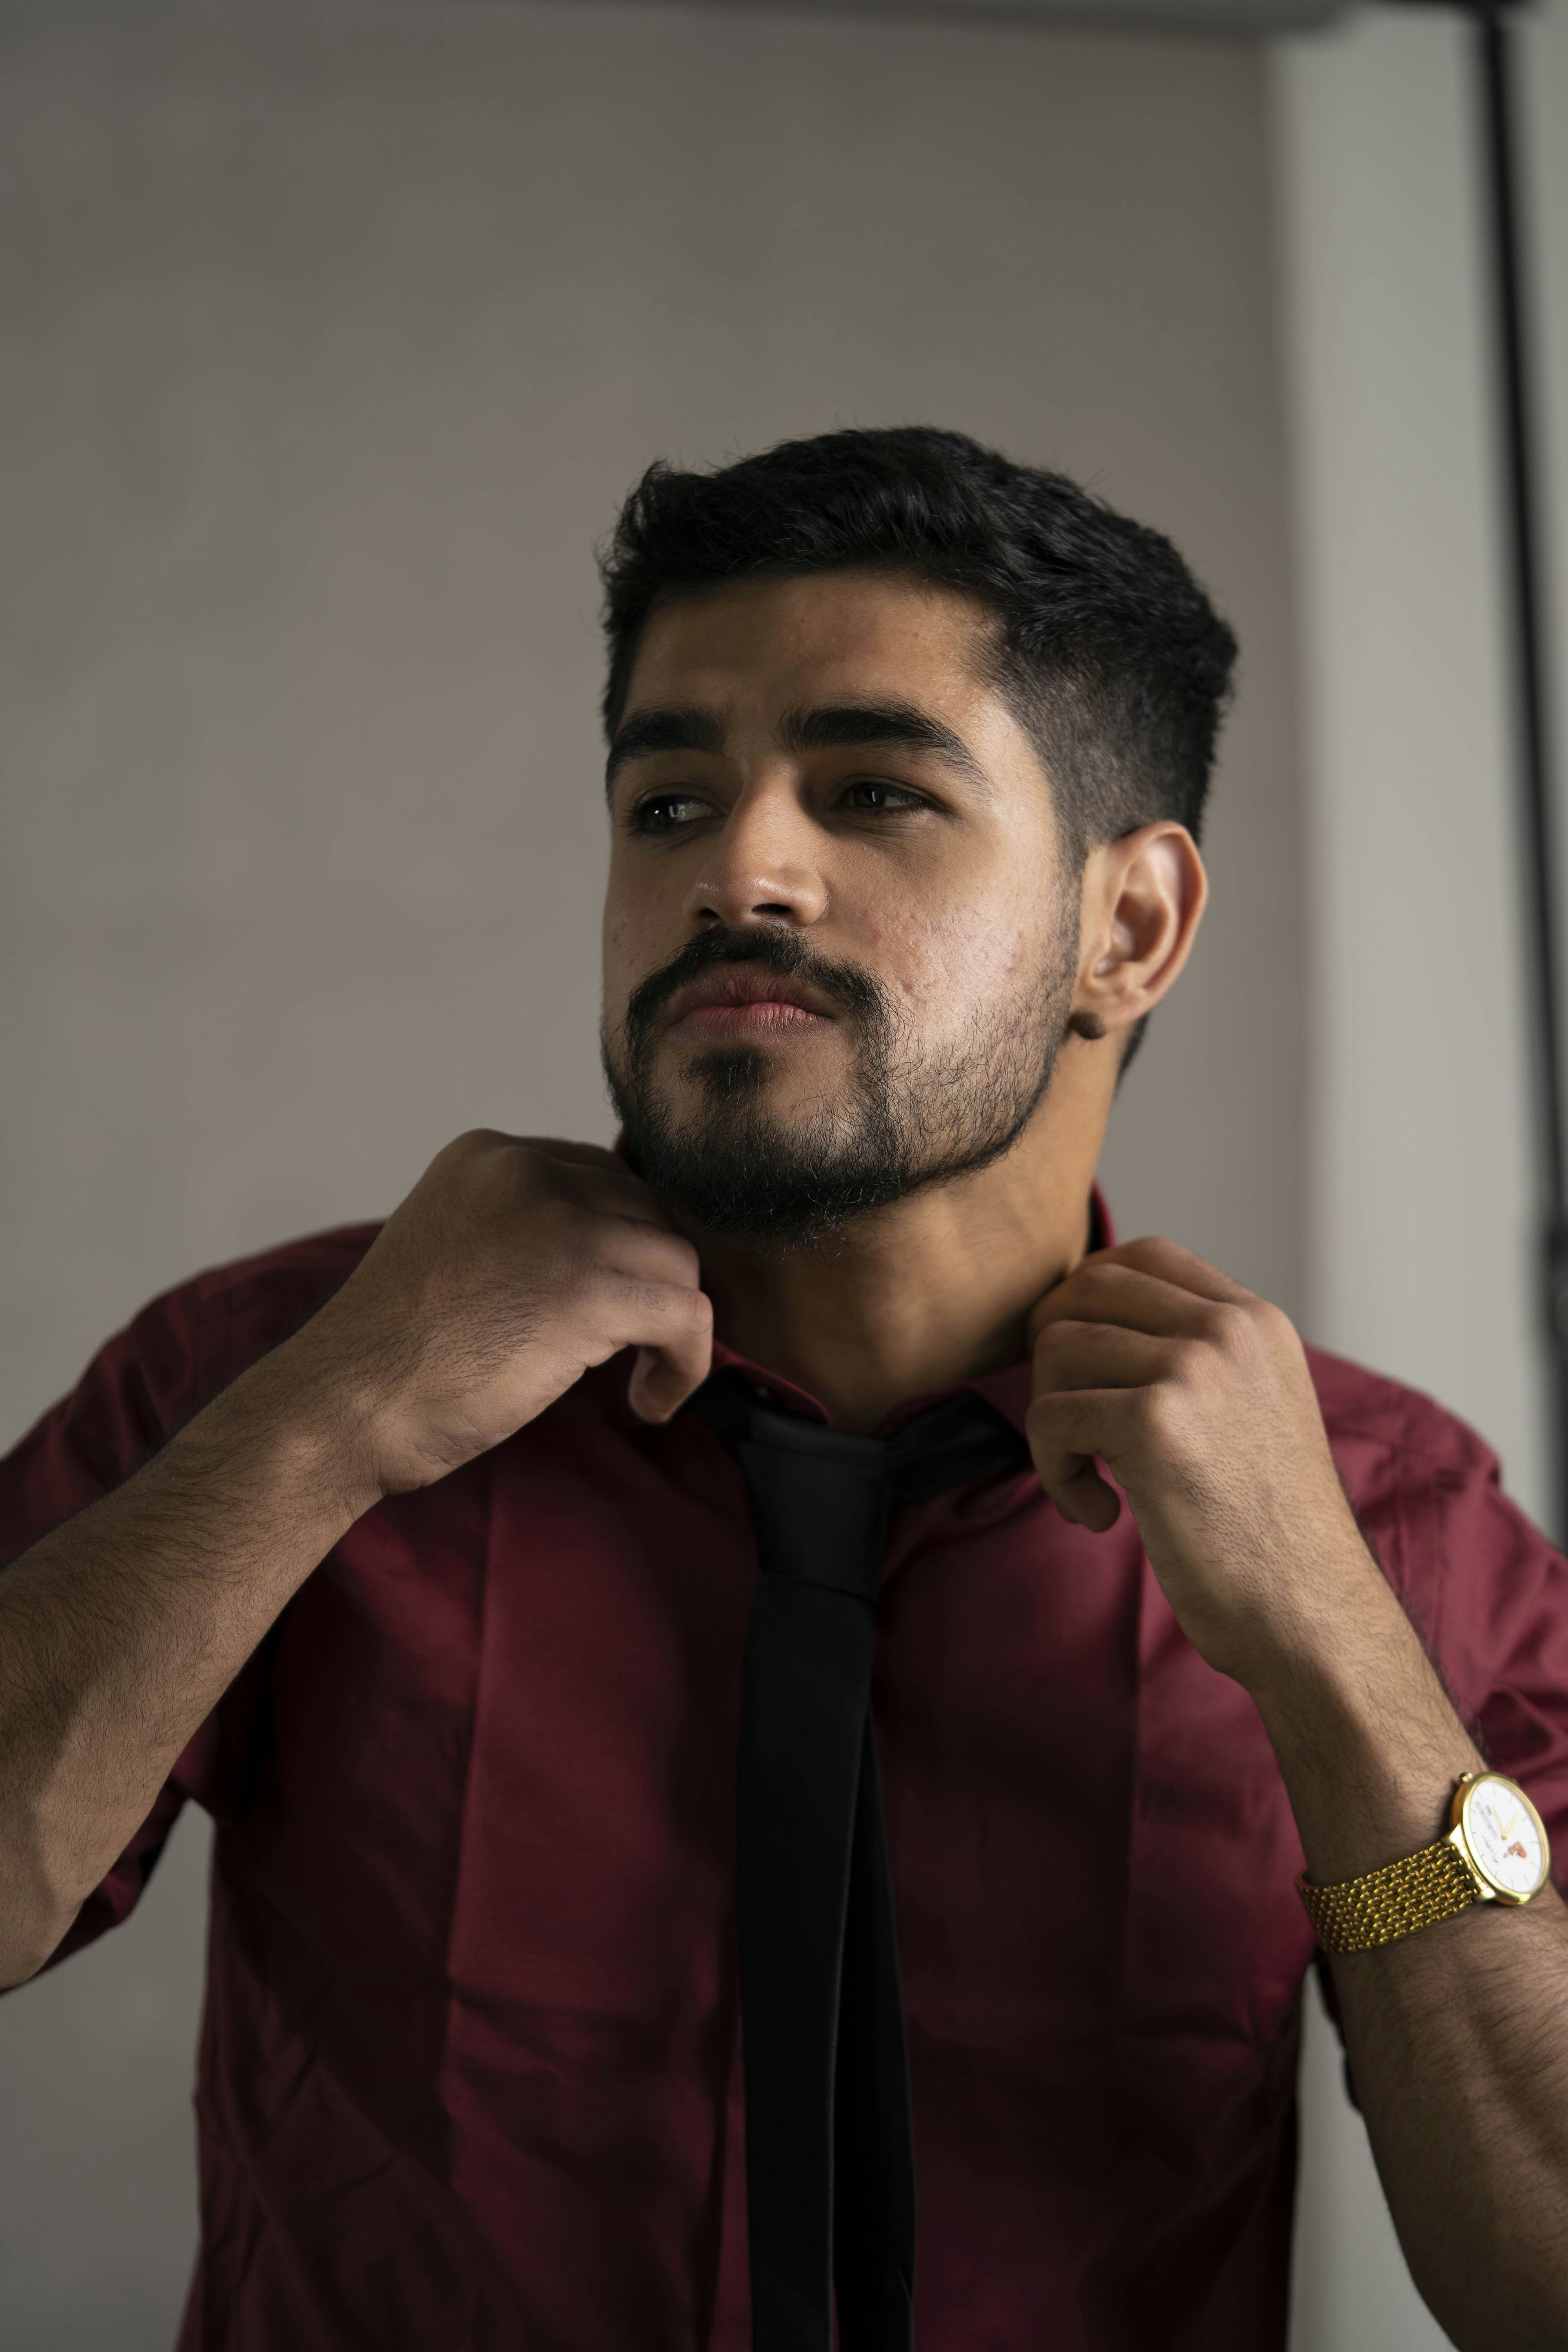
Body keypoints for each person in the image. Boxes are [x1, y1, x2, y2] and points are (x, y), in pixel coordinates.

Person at [2, 426, 1566, 2352]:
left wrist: (1339, 1659)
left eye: (875, 793)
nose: (740, 868)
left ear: (1129, 926)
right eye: (667, 803)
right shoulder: (269, 1379)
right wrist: (322, 1428)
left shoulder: (1396, 1521)